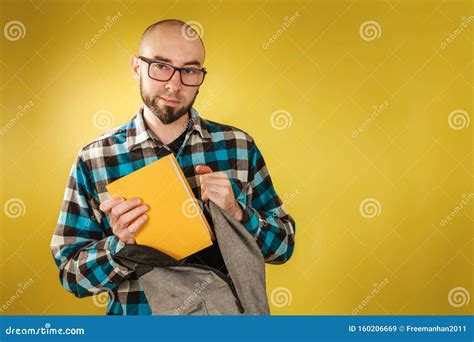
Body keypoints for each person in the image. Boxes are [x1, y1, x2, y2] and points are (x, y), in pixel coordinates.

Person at [50, 19, 296, 315]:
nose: (174, 83)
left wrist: (237, 213)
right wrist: (121, 245)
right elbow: (71, 276)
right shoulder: (95, 159)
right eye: (161, 65)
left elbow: (283, 248)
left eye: (189, 70)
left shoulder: (238, 147)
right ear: (136, 68)